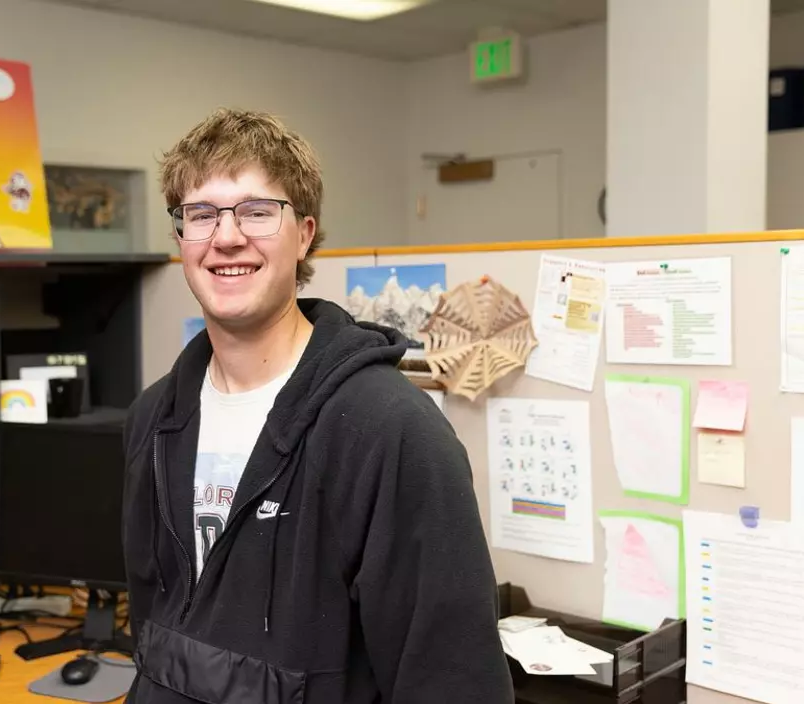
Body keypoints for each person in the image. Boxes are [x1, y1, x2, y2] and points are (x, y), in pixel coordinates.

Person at [122, 108, 513, 703]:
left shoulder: (390, 430)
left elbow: (452, 682)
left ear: (304, 233)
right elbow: (155, 627)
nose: (226, 237)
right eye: (201, 215)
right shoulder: (154, 420)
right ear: (181, 239)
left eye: (257, 211)